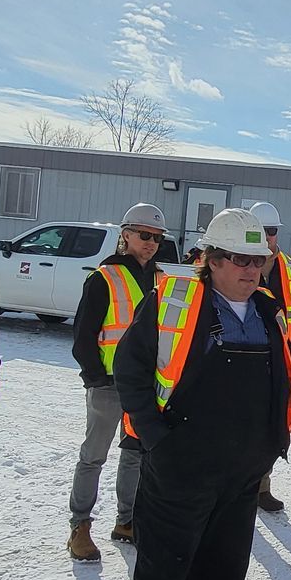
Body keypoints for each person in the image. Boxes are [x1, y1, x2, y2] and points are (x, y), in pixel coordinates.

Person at [114, 206, 291, 580]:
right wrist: (156, 439)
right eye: (238, 260)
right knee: (163, 577)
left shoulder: (266, 311)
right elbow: (129, 370)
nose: (251, 270)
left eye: (257, 260)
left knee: (221, 575)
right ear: (211, 260)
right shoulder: (173, 302)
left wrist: (270, 446)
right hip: (180, 469)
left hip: (241, 474)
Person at [66, 202, 170, 560]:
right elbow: (83, 338)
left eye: (156, 237)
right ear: (125, 235)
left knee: (135, 456)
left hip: (144, 386)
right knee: (93, 456)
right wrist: (95, 377)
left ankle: (127, 521)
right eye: (144, 235)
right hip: (108, 384)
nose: (151, 242)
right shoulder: (103, 278)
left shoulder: (160, 281)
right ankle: (80, 526)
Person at [247, 200, 291, 513]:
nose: (267, 237)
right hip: (240, 359)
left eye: (271, 231)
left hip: (276, 361)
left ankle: (262, 487)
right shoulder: (239, 261)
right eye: (261, 230)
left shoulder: (290, 269)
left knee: (271, 427)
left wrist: (287, 353)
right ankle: (234, 485)